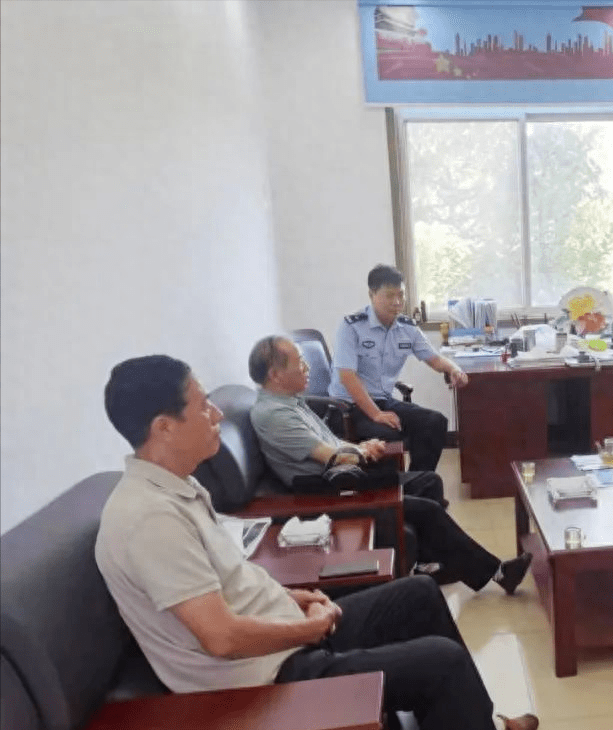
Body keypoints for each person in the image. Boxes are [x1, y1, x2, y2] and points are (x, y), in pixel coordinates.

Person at [95, 354, 538, 730]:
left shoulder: (179, 488)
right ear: (164, 427)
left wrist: (293, 597)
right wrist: (308, 629)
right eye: (202, 406)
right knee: (442, 663)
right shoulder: (150, 519)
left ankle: (477, 720)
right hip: (264, 673)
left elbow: (227, 585)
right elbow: (221, 638)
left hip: (281, 633)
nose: (217, 415)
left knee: (419, 594)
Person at [249, 335, 532, 594]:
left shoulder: (290, 402)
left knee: (429, 481)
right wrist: (363, 451)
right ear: (276, 375)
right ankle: (498, 573)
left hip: (343, 475)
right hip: (329, 490)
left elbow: (333, 445)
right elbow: (332, 457)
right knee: (428, 509)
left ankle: (429, 564)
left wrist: (360, 447)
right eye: (299, 363)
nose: (307, 367)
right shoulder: (276, 416)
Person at [328, 264, 467, 471]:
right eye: (389, 295)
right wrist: (376, 414)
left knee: (434, 422)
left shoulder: (407, 328)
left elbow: (435, 359)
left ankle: (418, 483)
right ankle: (389, 489)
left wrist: (454, 369)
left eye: (401, 295)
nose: (397, 302)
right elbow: (347, 377)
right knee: (388, 434)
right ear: (372, 294)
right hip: (348, 407)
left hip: (383, 400)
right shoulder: (351, 327)